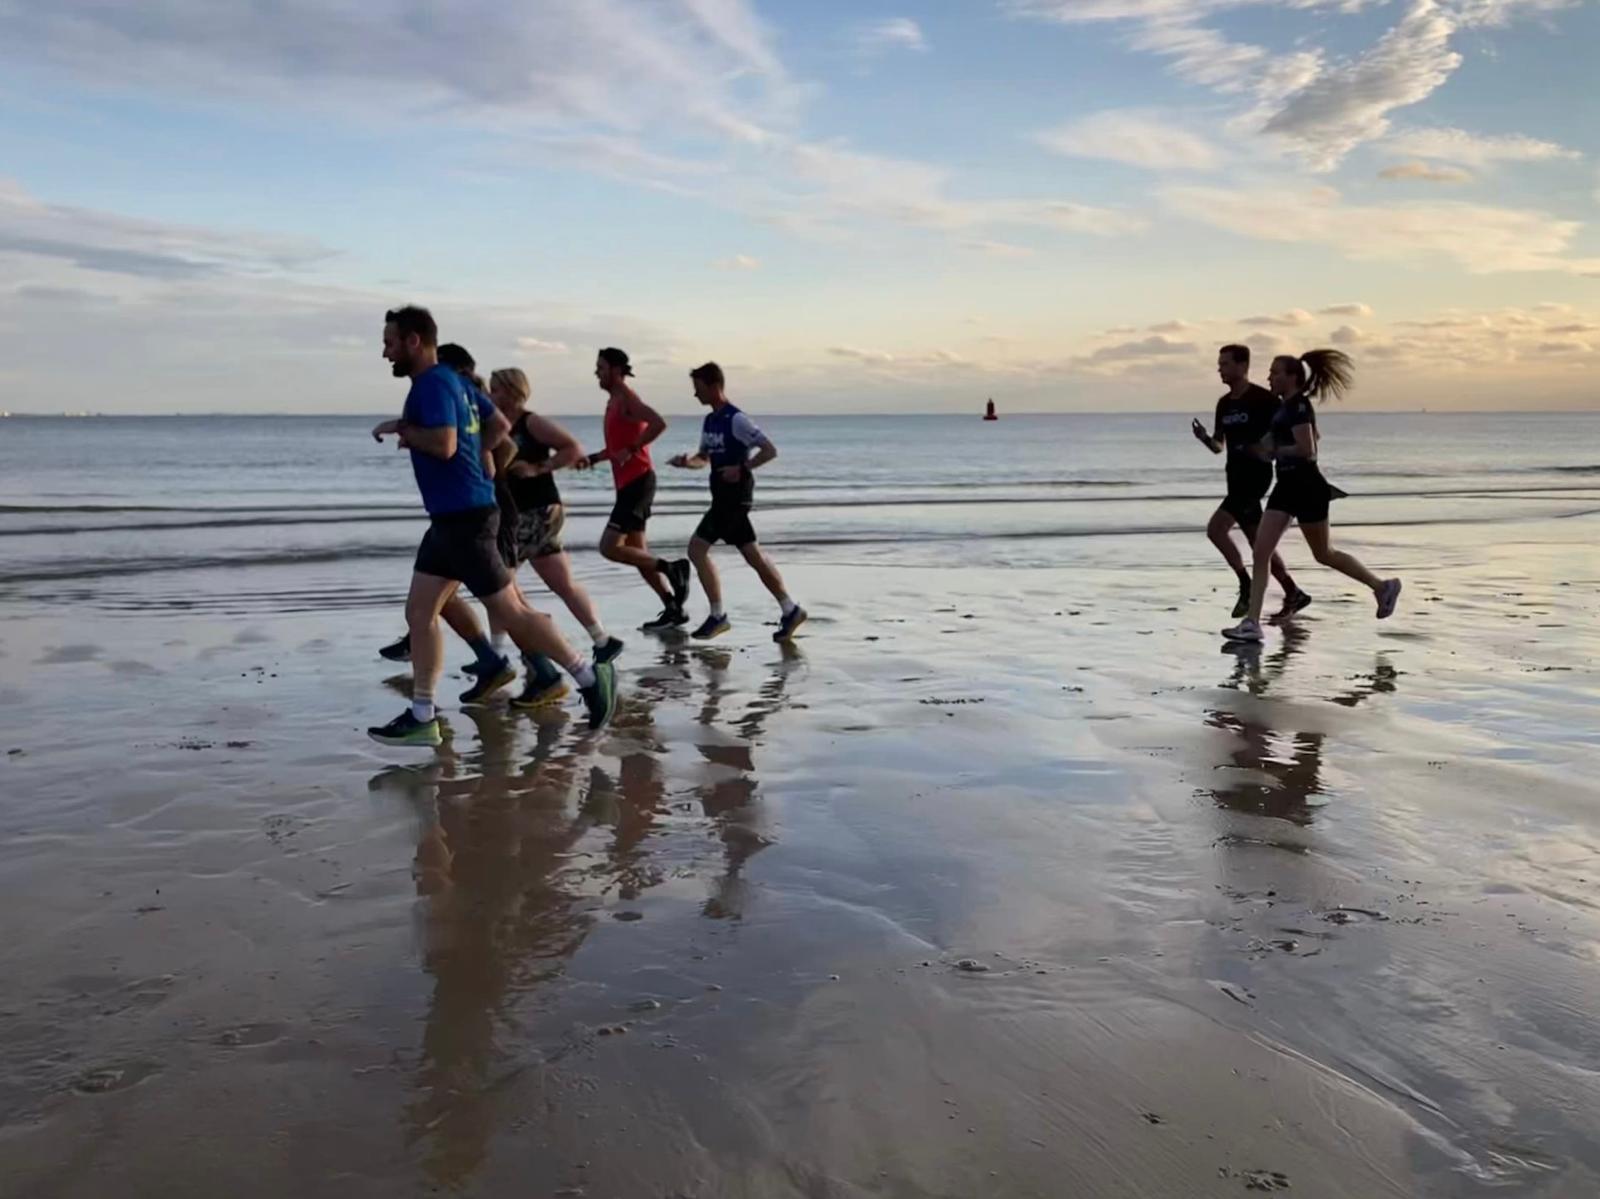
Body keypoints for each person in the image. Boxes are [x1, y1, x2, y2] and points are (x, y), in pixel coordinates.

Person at [369, 306, 616, 743]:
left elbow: (444, 445)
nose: (385, 352)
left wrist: (406, 431)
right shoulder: (459, 382)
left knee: (511, 611)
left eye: (390, 343)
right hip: (453, 517)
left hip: (466, 519)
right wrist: (477, 458)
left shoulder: (431, 384)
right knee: (421, 612)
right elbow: (500, 425)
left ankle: (588, 676)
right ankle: (423, 715)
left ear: (413, 341)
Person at [1222, 349, 1401, 644]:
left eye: (1275, 372)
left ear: (1291, 377)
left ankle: (1382, 587)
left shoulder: (1299, 406)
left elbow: (1308, 449)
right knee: (1261, 551)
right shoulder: (1283, 408)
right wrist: (1254, 449)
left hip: (1306, 486)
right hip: (1285, 486)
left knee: (1324, 554)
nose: (1269, 377)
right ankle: (1252, 623)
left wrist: (1275, 449)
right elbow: (1284, 442)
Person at [376, 344, 518, 707]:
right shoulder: (462, 398)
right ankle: (485, 660)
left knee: (507, 605)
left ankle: (560, 671)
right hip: (463, 511)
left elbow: (500, 444)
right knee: (442, 599)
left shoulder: (462, 395)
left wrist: (481, 458)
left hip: (479, 509)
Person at [488, 365, 624, 708]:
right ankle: (602, 639)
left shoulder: (530, 422)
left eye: (497, 389)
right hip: (523, 512)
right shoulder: (496, 423)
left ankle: (497, 655)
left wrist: (538, 468)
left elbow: (571, 448)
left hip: (538, 509)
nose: (491, 394)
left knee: (498, 582)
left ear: (514, 391)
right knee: (561, 582)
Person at [667, 362, 806, 643]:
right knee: (753, 555)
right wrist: (686, 463)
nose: (695, 394)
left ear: (714, 386)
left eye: (698, 388)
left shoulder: (736, 419)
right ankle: (790, 609)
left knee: (696, 549)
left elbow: (769, 450)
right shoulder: (710, 421)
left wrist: (742, 468)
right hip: (721, 496)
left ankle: (718, 615)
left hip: (735, 497)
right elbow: (704, 458)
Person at [1192, 345, 1307, 621]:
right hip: (1234, 477)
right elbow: (1219, 446)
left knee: (1216, 529)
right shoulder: (1224, 404)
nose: (1220, 369)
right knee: (1259, 544)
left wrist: (1267, 449)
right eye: (1219, 364)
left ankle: (1245, 584)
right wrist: (1205, 438)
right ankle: (1293, 592)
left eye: (1225, 364)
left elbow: (1289, 430)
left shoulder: (1264, 399)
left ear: (1243, 366)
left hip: (1256, 477)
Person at [582, 347, 690, 630]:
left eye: (601, 368)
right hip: (629, 484)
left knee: (609, 547)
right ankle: (672, 607)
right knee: (638, 553)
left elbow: (658, 423)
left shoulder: (628, 399)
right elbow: (616, 448)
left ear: (616, 370)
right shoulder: (614, 402)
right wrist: (593, 458)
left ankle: (672, 568)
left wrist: (632, 448)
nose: (597, 373)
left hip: (638, 482)